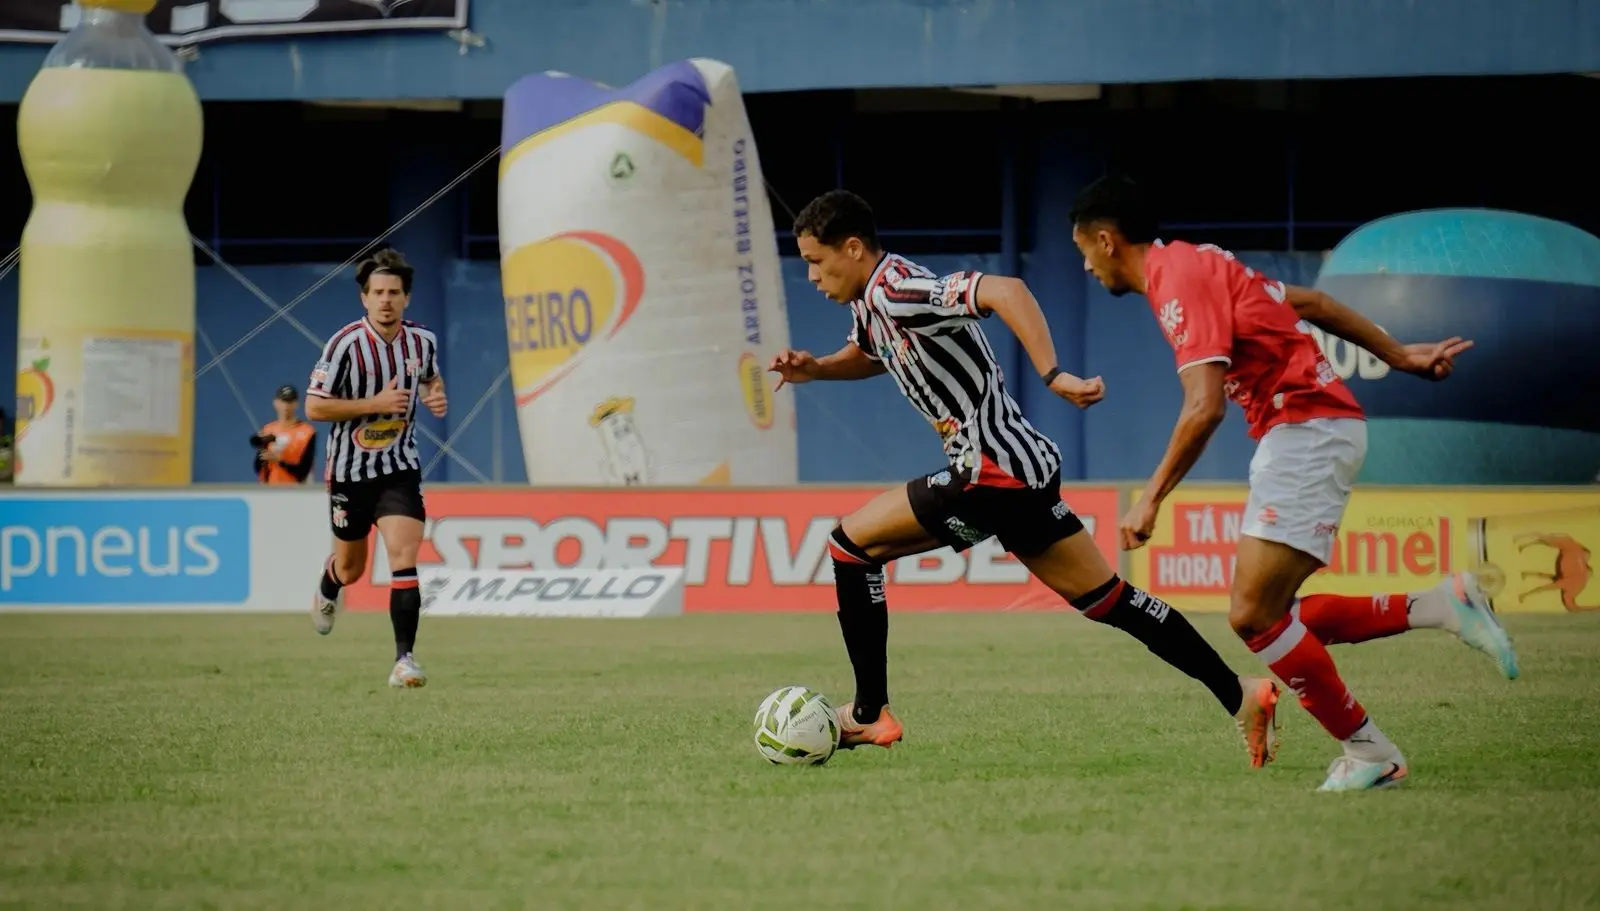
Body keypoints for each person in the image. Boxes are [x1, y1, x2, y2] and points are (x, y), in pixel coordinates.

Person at [769, 189, 1283, 766]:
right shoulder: (872, 304)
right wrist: (816, 369)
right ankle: (1241, 695)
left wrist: (1054, 373)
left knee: (848, 547)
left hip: (988, 473)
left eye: (816, 260)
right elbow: (871, 353)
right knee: (1109, 599)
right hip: (1023, 472)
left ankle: (868, 715)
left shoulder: (898, 289)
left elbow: (1007, 290)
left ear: (854, 248)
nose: (812, 275)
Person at [1067, 175, 1519, 792]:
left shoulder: (1177, 282)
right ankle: (1443, 605)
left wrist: (1150, 499)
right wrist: (1399, 357)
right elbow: (1312, 303)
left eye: (1083, 252)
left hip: (1305, 429)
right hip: (1307, 429)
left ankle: (1370, 753)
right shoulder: (1201, 262)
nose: (1086, 267)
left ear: (1105, 239)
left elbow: (1204, 407)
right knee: (1275, 618)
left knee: (1253, 615)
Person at [302, 248, 448, 689]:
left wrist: (435, 394)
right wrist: (375, 404)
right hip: (349, 473)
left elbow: (430, 377)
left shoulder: (423, 341)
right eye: (378, 292)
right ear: (364, 298)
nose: (386, 300)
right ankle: (329, 585)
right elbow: (313, 407)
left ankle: (405, 660)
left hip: (398, 466)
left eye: (394, 292)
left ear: (406, 298)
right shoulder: (344, 344)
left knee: (404, 558)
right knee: (352, 569)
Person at [252, 385, 317, 484]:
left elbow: (303, 471)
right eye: (283, 401)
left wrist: (279, 460)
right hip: (270, 489)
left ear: (296, 404)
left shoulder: (308, 432)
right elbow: (258, 467)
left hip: (298, 491)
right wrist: (262, 452)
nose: (286, 406)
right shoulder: (267, 430)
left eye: (290, 401)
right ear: (275, 402)